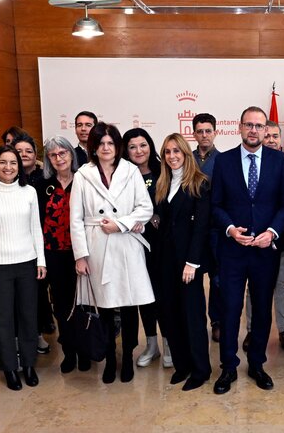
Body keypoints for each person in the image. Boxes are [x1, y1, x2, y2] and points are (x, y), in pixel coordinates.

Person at [210, 106, 284, 394]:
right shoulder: (224, 162)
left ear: (266, 130)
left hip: (265, 251)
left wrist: (272, 232)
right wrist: (230, 229)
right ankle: (228, 367)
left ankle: (257, 363)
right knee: (231, 308)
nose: (254, 130)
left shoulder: (280, 161)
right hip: (232, 250)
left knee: (261, 310)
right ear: (240, 128)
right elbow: (216, 205)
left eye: (259, 126)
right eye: (249, 125)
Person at [70, 123, 155, 384]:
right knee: (104, 307)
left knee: (129, 306)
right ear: (93, 147)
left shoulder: (130, 171)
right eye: (101, 143)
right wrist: (81, 256)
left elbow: (145, 208)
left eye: (110, 143)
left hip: (126, 243)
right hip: (96, 245)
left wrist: (120, 223)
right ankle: (109, 357)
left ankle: (127, 356)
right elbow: (75, 219)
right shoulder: (83, 174)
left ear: (117, 146)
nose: (106, 148)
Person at [0, 145, 46, 391]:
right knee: (2, 320)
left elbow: (36, 228)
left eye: (13, 162)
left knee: (28, 317)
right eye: (3, 162)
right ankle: (9, 368)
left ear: (20, 166)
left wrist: (41, 261)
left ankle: (28, 364)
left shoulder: (29, 192)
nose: (8, 167)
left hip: (27, 263)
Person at [153, 134, 214, 391]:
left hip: (189, 262)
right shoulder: (162, 184)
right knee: (171, 313)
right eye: (167, 152)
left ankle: (200, 369)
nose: (172, 156)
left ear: (186, 154)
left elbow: (201, 227)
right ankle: (182, 365)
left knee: (192, 315)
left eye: (177, 151)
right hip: (165, 259)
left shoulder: (200, 183)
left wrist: (192, 262)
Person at [243, 124, 284, 352]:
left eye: (277, 136)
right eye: (269, 135)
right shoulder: (245, 163)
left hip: (279, 237)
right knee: (251, 287)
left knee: (281, 283)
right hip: (250, 238)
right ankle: (251, 330)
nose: (272, 140)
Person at [35, 136, 86, 373]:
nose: (58, 158)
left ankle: (85, 350)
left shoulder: (85, 180)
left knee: (83, 303)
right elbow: (36, 223)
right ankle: (69, 351)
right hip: (54, 254)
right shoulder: (42, 184)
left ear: (71, 154)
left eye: (62, 153)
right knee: (62, 305)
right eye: (53, 155)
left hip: (82, 253)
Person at [121, 128, 168, 368]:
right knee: (144, 297)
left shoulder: (163, 171)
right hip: (134, 244)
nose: (139, 151)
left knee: (163, 294)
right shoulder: (122, 175)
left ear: (150, 145)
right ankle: (151, 345)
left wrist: (157, 216)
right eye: (132, 147)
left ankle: (169, 342)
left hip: (161, 245)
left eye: (143, 145)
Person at [13, 133, 53, 353]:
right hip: (19, 246)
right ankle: (26, 336)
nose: (24, 155)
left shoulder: (45, 177)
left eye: (29, 151)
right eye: (19, 151)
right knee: (23, 296)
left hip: (45, 243)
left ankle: (37, 334)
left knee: (38, 294)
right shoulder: (7, 179)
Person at [191, 112, 222, 341]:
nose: (204, 135)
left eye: (208, 131)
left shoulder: (223, 161)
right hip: (192, 229)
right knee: (192, 279)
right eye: (200, 131)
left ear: (215, 132)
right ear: (193, 134)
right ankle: (195, 321)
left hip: (216, 229)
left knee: (217, 279)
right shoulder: (184, 159)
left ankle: (217, 322)